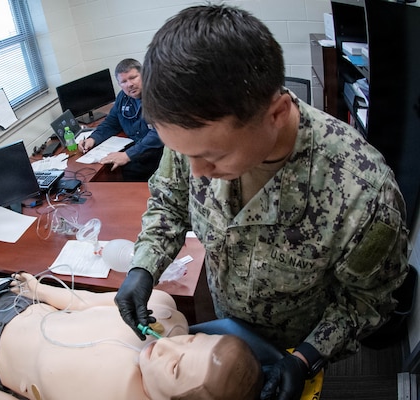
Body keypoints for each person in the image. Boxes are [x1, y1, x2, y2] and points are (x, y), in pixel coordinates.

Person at [113, 4, 409, 400]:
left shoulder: (363, 196)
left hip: (295, 340)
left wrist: (307, 357)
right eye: (185, 156)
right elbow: (169, 200)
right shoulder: (194, 137)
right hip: (225, 328)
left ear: (276, 113)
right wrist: (144, 267)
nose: (196, 171)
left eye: (213, 157)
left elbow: (366, 300)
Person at [0, 254, 263, 400]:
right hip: (20, 306)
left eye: (176, 368)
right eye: (191, 340)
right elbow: (84, 302)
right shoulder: (160, 309)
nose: (166, 347)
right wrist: (38, 289)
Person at [78, 58, 163, 181]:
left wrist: (128, 155)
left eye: (133, 78)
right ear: (119, 84)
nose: (129, 84)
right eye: (123, 81)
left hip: (159, 156)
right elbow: (111, 123)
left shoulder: (159, 96)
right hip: (137, 156)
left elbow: (158, 134)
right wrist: (93, 138)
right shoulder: (123, 97)